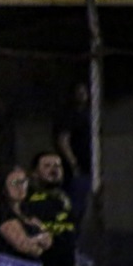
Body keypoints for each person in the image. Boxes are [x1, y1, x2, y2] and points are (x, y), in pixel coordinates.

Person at [23, 151, 79, 266]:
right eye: (47, 166)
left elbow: (72, 230)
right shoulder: (26, 198)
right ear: (35, 173)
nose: (54, 170)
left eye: (57, 166)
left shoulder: (66, 198)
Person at [53, 81, 92, 229]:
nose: (82, 95)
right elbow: (63, 140)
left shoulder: (88, 114)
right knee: (72, 208)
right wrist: (73, 163)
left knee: (80, 208)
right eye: (79, 91)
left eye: (85, 91)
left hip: (85, 168)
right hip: (75, 170)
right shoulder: (69, 115)